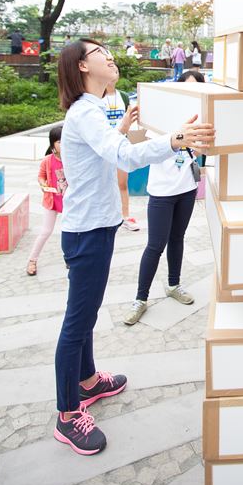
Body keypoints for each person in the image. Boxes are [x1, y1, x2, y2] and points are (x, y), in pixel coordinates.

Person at [53, 39, 215, 454]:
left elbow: (106, 150)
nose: (110, 57)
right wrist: (175, 140)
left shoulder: (91, 112)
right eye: (100, 53)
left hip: (95, 225)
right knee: (77, 323)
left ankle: (88, 380)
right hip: (88, 231)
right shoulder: (85, 111)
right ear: (82, 67)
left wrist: (122, 126)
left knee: (85, 314)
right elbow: (123, 158)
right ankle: (68, 415)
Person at [123, 69, 206, 325]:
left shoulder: (200, 119)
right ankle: (140, 299)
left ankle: (174, 284)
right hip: (161, 192)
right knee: (155, 245)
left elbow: (201, 150)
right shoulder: (159, 116)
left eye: (196, 89)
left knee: (177, 239)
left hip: (186, 189)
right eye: (187, 87)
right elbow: (144, 148)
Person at [26, 125, 67, 275]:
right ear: (53, 145)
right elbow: (41, 176)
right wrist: (43, 184)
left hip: (69, 201)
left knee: (68, 231)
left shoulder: (73, 159)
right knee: (46, 231)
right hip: (52, 200)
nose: (64, 144)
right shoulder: (47, 160)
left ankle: (68, 257)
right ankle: (32, 260)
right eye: (60, 142)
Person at [102, 69, 139, 230]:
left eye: (116, 71)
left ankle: (125, 216)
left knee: (122, 183)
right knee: (104, 182)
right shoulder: (97, 98)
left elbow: (129, 119)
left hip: (120, 144)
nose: (113, 73)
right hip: (103, 145)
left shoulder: (123, 96)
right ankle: (107, 217)